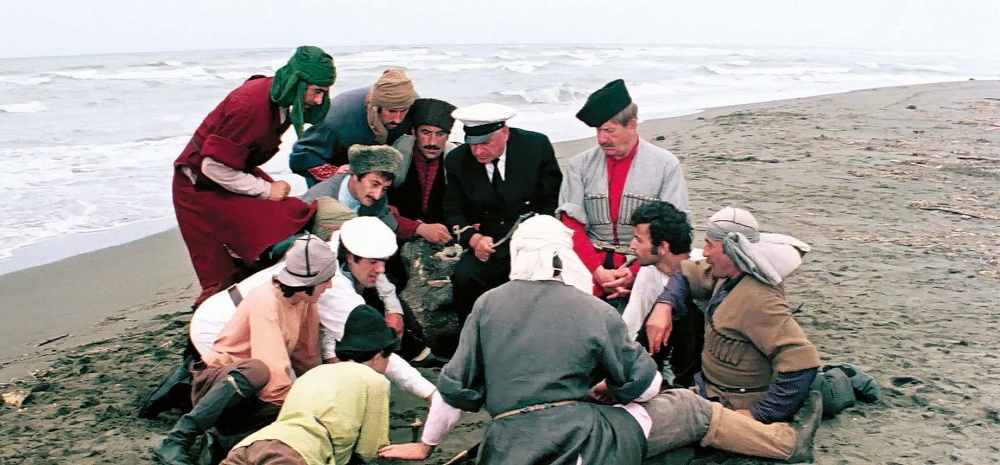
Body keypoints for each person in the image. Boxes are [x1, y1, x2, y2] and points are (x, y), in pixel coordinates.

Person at [379, 215, 821, 464]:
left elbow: (454, 390)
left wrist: (426, 445)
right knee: (687, 407)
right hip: (586, 441)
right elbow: (647, 386)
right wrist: (613, 388)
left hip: (510, 443)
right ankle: (784, 444)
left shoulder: (487, 306)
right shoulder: (592, 309)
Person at [152, 234, 337, 465]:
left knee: (309, 410)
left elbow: (307, 357)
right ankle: (176, 440)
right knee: (257, 372)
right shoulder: (266, 300)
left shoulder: (306, 301)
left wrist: (318, 395)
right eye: (325, 280)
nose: (330, 286)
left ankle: (222, 442)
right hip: (221, 383)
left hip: (252, 397)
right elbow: (273, 374)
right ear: (307, 282)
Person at [172, 46, 336, 307]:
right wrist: (265, 190)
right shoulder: (248, 105)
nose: (318, 101)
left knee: (290, 212)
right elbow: (212, 166)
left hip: (233, 172)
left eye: (324, 93)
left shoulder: (282, 98)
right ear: (298, 82)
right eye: (317, 91)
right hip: (198, 185)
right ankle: (214, 319)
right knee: (223, 269)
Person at [646, 207, 821, 424]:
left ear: (732, 249)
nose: (705, 253)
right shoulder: (727, 275)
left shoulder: (760, 299)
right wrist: (664, 305)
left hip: (734, 405)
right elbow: (686, 272)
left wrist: (760, 413)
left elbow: (803, 361)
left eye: (710, 245)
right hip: (707, 390)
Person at [556, 79, 690, 305]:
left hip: (647, 264)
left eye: (609, 131)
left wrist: (634, 272)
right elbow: (570, 225)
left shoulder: (665, 164)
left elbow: (675, 228)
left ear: (632, 125)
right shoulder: (579, 165)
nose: (602, 139)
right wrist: (597, 272)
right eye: (598, 131)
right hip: (589, 263)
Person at [220, 305, 398, 465]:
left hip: (252, 444)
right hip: (296, 455)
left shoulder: (312, 374)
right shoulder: (375, 381)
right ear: (379, 355)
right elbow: (369, 450)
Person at [443, 103, 562, 322]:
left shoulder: (535, 147)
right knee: (464, 277)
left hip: (533, 241)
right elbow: (454, 211)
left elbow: (553, 200)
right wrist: (474, 239)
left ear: (504, 132)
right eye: (472, 144)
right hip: (490, 245)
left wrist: (539, 241)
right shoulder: (457, 161)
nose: (478, 151)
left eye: (485, 142)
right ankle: (472, 337)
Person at [321, 217, 449, 370]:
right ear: (350, 257)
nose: (380, 269)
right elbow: (330, 333)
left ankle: (419, 353)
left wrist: (394, 311)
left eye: (383, 261)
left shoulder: (351, 250)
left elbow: (383, 283)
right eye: (373, 262)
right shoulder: (334, 283)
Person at [620, 201, 704, 388]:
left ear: (663, 247)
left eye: (639, 240)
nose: (632, 246)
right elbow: (631, 325)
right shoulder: (648, 271)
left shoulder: (704, 269)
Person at [289, 68, 417, 186]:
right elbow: (300, 156)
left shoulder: (414, 107)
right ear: (377, 107)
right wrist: (334, 171)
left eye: (403, 111)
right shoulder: (335, 119)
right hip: (337, 179)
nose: (398, 119)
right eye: (391, 111)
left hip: (382, 179)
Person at [387, 97, 459, 246]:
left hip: (445, 239)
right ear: (414, 133)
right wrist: (417, 228)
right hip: (397, 236)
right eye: (426, 132)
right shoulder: (395, 157)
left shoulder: (457, 162)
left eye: (440, 134)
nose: (432, 142)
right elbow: (381, 208)